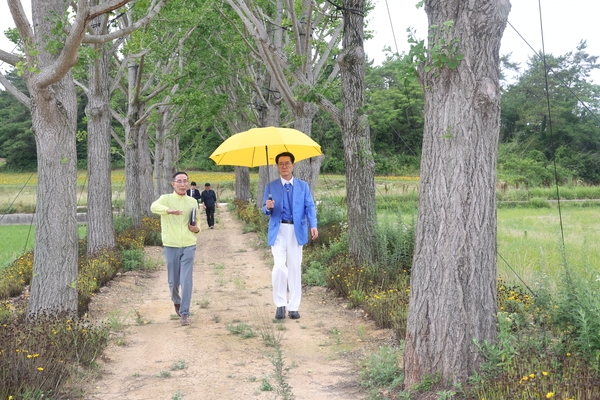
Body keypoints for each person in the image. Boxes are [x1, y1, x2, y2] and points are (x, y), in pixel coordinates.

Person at [262, 152, 318, 320]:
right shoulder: (270, 186)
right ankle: (280, 304)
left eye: (287, 163)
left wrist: (313, 225)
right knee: (279, 267)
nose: (284, 166)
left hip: (296, 230)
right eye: (281, 164)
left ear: (293, 165)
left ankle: (294, 306)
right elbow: (265, 210)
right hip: (278, 230)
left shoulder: (303, 186)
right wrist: (268, 206)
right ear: (277, 166)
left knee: (295, 268)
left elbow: (310, 206)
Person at [150, 171, 200, 326]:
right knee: (173, 281)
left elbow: (197, 222)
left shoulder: (192, 201)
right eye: (179, 181)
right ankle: (176, 301)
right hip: (171, 244)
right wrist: (168, 211)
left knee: (186, 280)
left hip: (189, 244)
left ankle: (184, 312)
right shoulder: (166, 199)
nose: (183, 184)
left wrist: (195, 229)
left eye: (185, 181)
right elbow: (153, 207)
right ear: (173, 184)